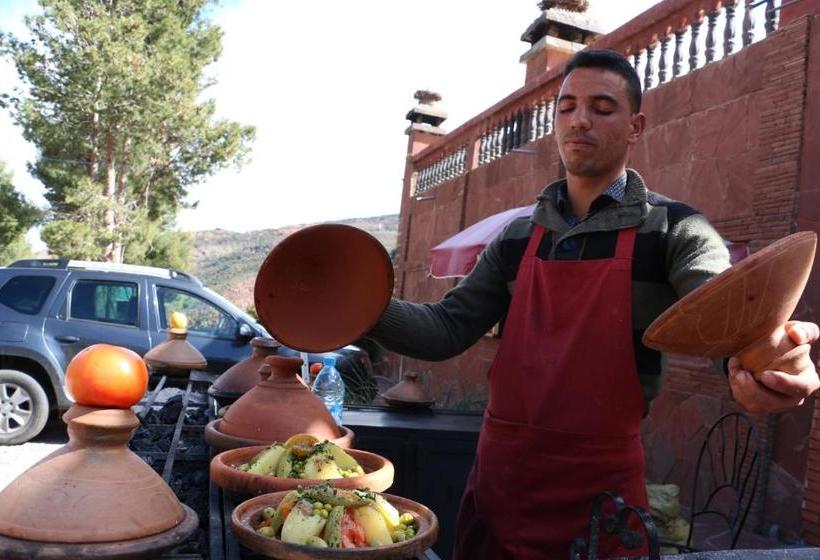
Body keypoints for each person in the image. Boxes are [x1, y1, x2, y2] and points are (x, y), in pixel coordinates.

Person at [367, 49, 820, 559]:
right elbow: (447, 328)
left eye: (603, 108)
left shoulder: (674, 229)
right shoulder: (517, 236)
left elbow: (721, 314)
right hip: (501, 486)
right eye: (567, 107)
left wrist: (764, 363)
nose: (580, 120)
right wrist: (361, 306)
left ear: (635, 125)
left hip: (601, 500)